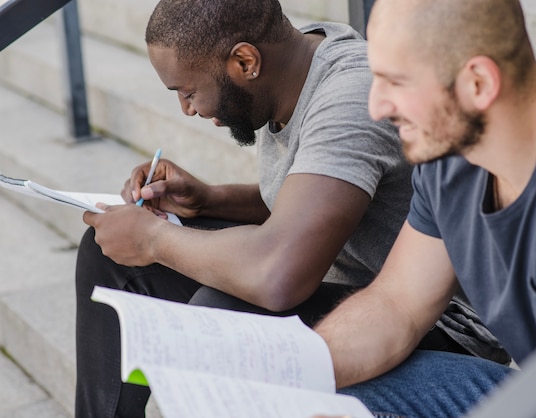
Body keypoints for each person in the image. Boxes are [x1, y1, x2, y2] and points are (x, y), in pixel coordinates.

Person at [73, 0, 508, 417]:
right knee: (109, 255)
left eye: (188, 92)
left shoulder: (351, 96)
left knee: (226, 315)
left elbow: (279, 275)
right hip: (360, 295)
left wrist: (153, 239)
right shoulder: (286, 75)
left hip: (439, 325)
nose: (187, 110)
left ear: (245, 63)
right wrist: (208, 198)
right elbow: (309, 198)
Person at [313, 0, 536, 416]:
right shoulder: (449, 159)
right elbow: (397, 307)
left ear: (478, 83)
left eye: (396, 82)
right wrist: (287, 371)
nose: (377, 107)